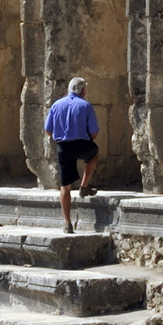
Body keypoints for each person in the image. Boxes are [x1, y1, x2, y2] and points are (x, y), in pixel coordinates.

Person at [44, 76, 99, 232]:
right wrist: (85, 138)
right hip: (81, 144)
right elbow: (94, 132)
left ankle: (67, 223)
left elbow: (48, 130)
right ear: (82, 90)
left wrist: (60, 136)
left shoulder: (56, 105)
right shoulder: (86, 105)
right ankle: (84, 185)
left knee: (65, 186)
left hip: (63, 147)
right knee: (93, 153)